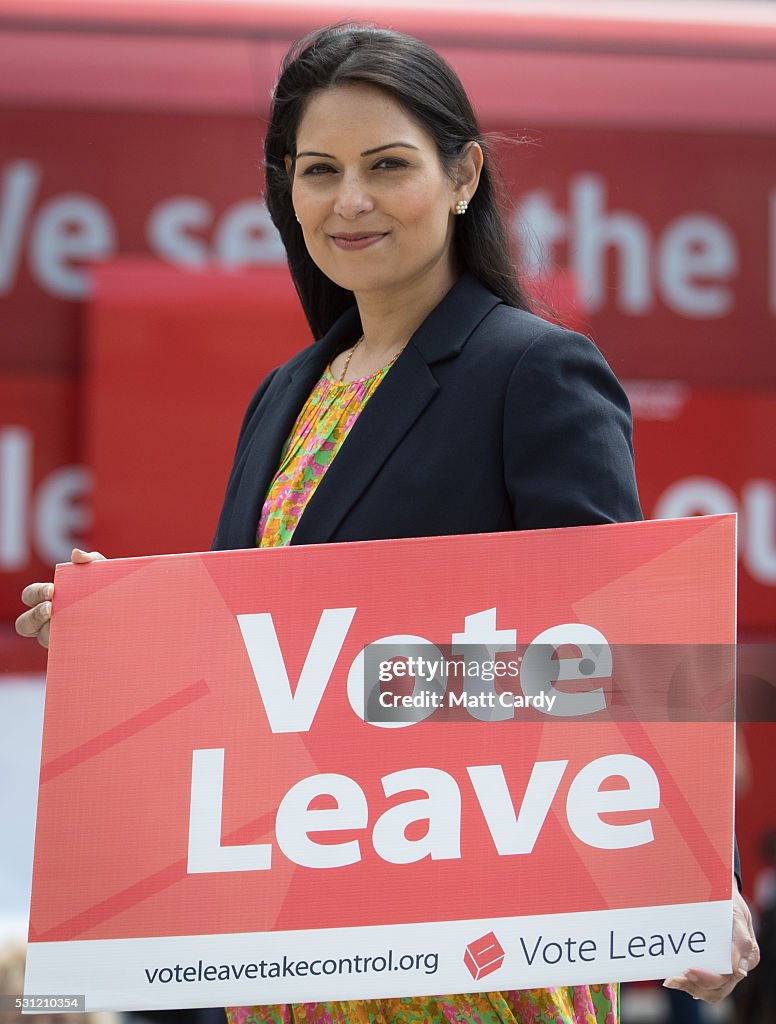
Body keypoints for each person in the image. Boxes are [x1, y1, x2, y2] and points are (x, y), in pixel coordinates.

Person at [16, 22, 758, 1024]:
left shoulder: (530, 371)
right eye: (317, 171)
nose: (349, 200)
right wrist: (129, 632)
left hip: (473, 943)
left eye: (387, 165)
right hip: (287, 946)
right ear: (286, 190)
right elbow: (261, 667)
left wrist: (682, 877)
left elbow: (616, 663)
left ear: (462, 177)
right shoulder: (286, 394)